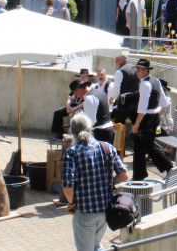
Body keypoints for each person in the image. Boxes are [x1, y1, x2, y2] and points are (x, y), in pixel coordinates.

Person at [62, 113, 128, 251]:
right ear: (90, 128)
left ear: (73, 132)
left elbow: (68, 186)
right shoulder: (107, 147)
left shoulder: (72, 152)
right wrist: (108, 183)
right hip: (105, 209)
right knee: (96, 245)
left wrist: (71, 203)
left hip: (85, 211)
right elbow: (123, 175)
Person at [131, 59, 173, 180]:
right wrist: (157, 115)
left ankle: (168, 167)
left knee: (145, 147)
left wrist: (137, 123)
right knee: (143, 146)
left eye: (139, 69)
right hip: (153, 118)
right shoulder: (156, 81)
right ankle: (140, 174)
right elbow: (164, 103)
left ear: (145, 70)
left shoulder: (145, 84)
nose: (137, 71)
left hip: (146, 119)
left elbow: (142, 107)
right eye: (137, 69)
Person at [70, 79, 114, 144]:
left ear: (79, 90)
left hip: (100, 134)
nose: (77, 96)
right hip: (109, 131)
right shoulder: (100, 93)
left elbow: (90, 122)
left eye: (76, 94)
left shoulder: (89, 98)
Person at [51, 72, 89, 140]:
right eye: (81, 76)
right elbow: (70, 97)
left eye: (84, 77)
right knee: (57, 113)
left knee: (77, 115)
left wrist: (74, 109)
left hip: (81, 106)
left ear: (88, 77)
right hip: (74, 105)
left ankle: (75, 136)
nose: (82, 78)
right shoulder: (76, 85)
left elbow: (87, 102)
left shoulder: (90, 87)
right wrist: (68, 106)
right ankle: (59, 134)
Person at [110, 54, 140, 121]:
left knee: (119, 123)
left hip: (125, 101)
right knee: (136, 123)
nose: (116, 63)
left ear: (122, 60)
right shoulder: (135, 68)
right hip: (136, 99)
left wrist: (112, 98)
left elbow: (116, 89)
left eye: (117, 61)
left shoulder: (120, 71)